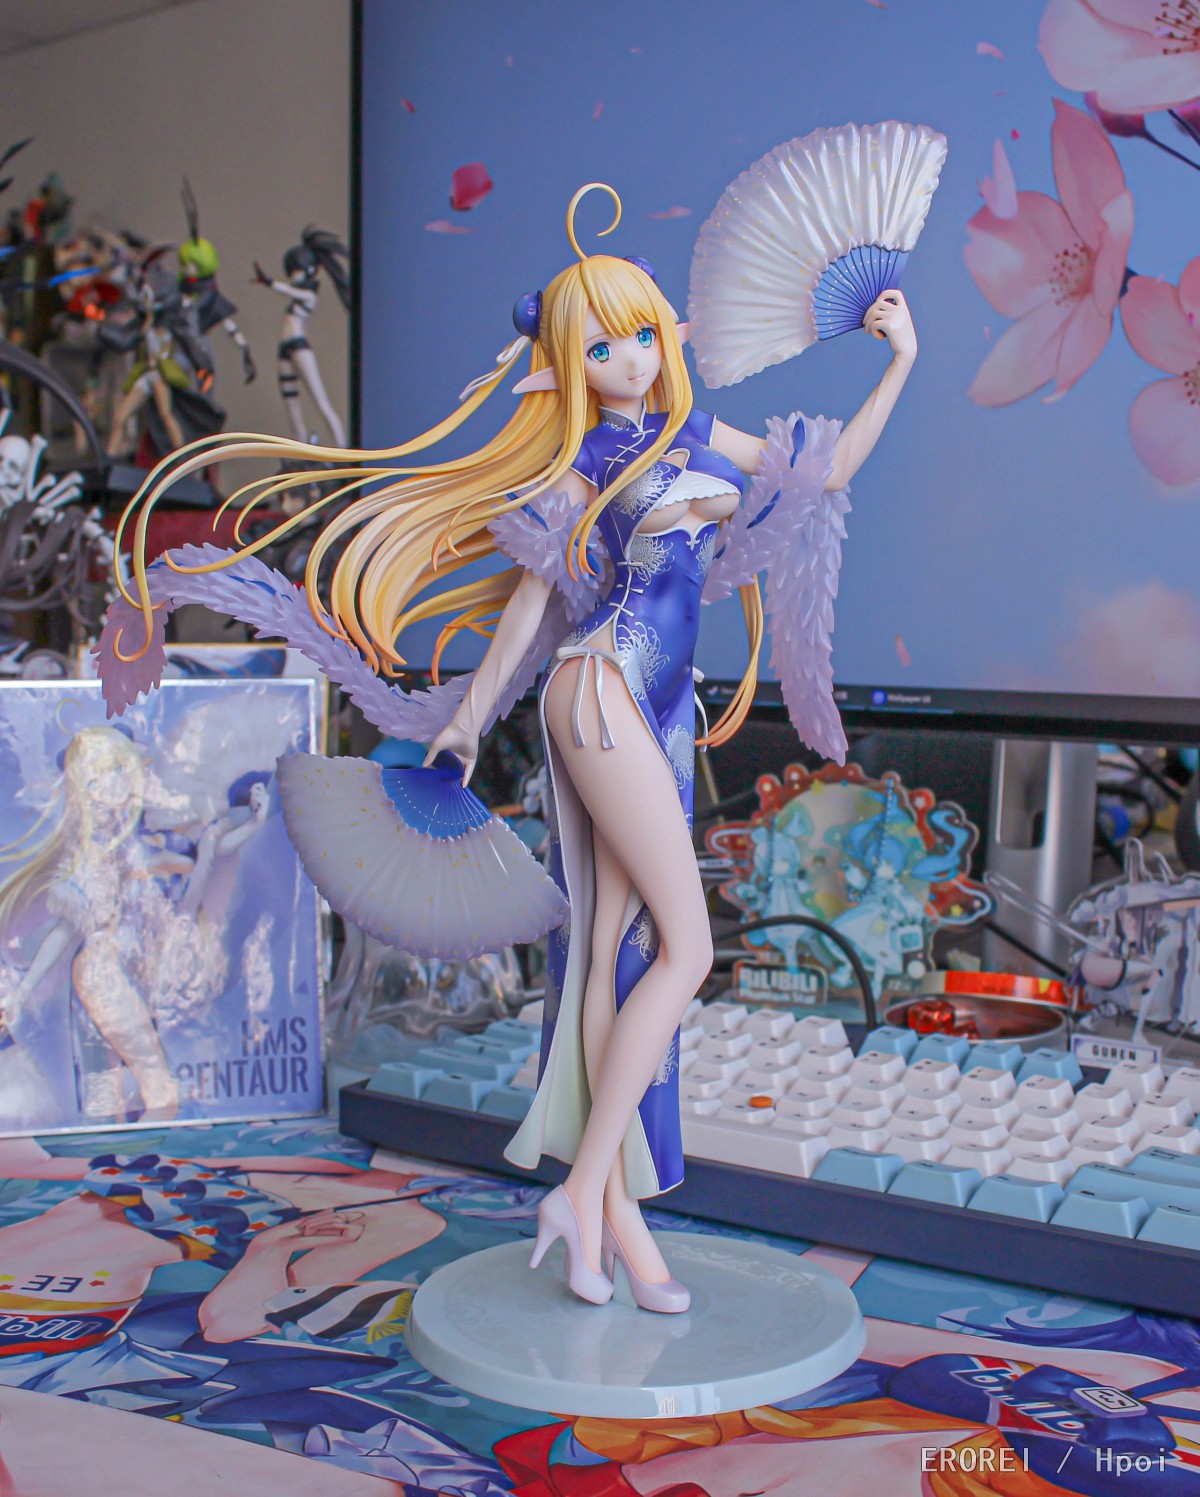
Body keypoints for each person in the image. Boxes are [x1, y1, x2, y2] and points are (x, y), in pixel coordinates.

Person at [100, 183, 917, 1312]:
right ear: (571, 364)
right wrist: (469, 717)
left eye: (640, 335)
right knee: (687, 950)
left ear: (665, 336)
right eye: (601, 347)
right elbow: (535, 602)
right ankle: (581, 1192)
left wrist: (898, 362)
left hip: (655, 710)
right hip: (605, 692)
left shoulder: (693, 433)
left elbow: (824, 474)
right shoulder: (582, 461)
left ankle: (614, 1221)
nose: (627, 360)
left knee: (616, 953)